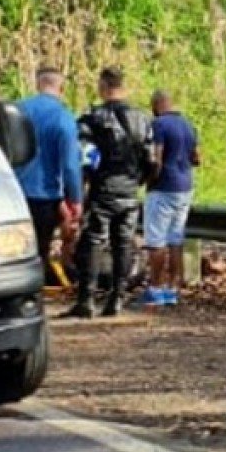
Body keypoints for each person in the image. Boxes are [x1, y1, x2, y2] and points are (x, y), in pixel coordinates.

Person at [65, 66, 152, 319]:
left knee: (93, 241)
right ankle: (117, 298)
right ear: (123, 87)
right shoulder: (143, 119)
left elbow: (84, 159)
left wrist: (83, 188)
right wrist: (137, 181)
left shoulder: (93, 118)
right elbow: (152, 158)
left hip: (103, 188)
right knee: (123, 243)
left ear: (103, 87)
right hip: (129, 191)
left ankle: (87, 299)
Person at [12, 67, 83, 288]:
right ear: (61, 89)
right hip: (45, 194)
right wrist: (75, 199)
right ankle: (33, 294)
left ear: (37, 85)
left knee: (15, 249)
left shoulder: (17, 110)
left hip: (15, 191)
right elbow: (70, 165)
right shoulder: (64, 117)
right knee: (40, 249)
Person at [141, 90, 201, 307]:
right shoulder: (188, 125)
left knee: (156, 240)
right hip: (185, 187)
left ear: (156, 106)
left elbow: (156, 158)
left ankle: (155, 289)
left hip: (164, 187)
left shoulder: (159, 125)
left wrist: (149, 179)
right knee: (175, 239)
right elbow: (197, 158)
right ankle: (172, 290)